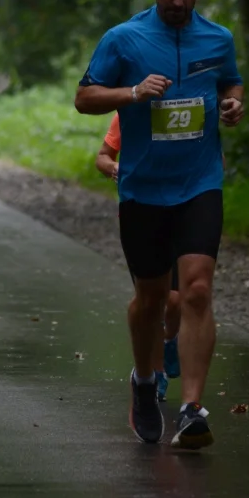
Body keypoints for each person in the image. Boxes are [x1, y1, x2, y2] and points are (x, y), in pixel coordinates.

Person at [75, 0, 245, 449]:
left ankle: (192, 408)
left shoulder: (218, 38)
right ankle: (144, 383)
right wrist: (131, 94)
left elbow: (231, 83)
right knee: (151, 300)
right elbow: (84, 97)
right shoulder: (123, 40)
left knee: (195, 290)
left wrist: (234, 105)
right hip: (144, 189)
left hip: (200, 182)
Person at [96, 113, 183, 403]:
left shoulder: (187, 107)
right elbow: (102, 157)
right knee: (155, 301)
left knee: (177, 300)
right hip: (141, 214)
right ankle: (156, 375)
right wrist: (115, 168)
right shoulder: (126, 114)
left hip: (183, 211)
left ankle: (171, 340)